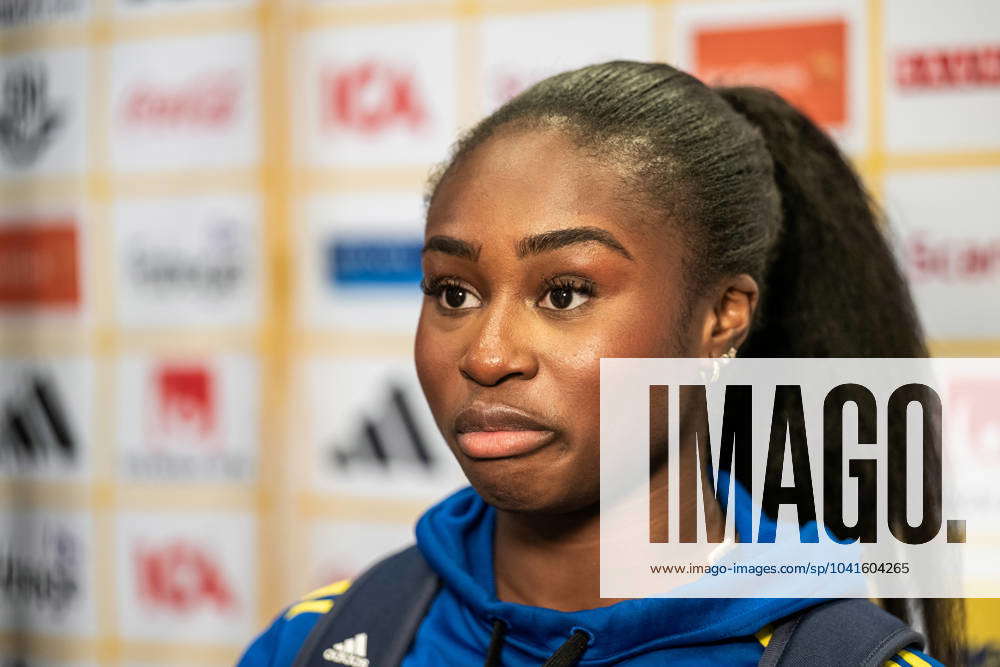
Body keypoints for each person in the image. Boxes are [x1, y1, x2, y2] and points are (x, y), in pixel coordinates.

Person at [239, 61, 964, 666]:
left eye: (565, 292)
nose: (488, 355)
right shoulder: (318, 642)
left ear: (722, 316)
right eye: (453, 291)